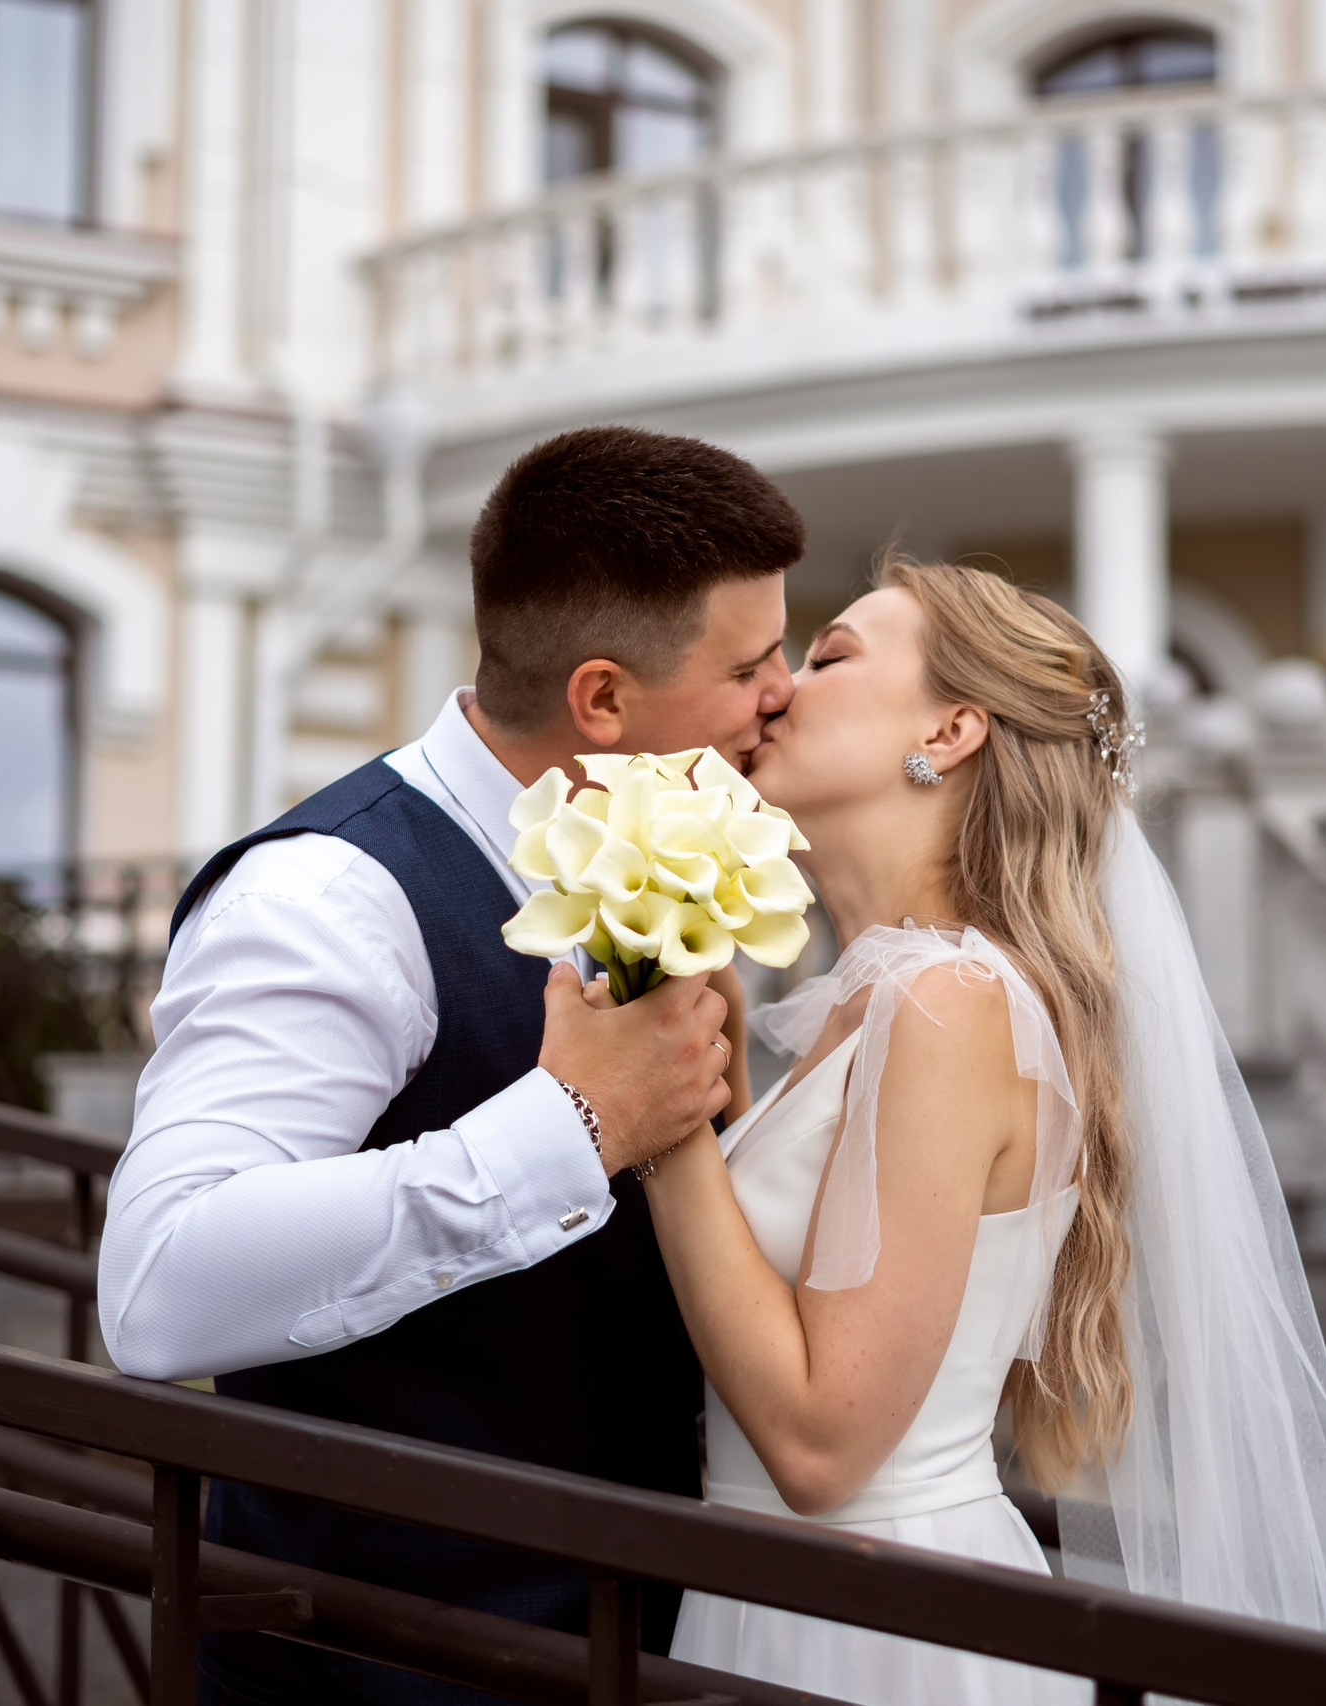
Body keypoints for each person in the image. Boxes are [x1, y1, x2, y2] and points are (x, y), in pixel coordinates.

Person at [98, 425, 806, 1705]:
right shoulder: (328, 896)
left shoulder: (663, 862)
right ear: (602, 698)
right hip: (378, 1670)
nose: (785, 692)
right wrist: (571, 1123)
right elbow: (159, 1285)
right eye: (750, 664)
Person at [637, 557, 1326, 1704]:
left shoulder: (949, 1003)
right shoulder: (873, 996)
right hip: (776, 1590)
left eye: (828, 656)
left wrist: (660, 1116)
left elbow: (821, 1448)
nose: (775, 686)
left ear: (948, 731)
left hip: (872, 1627)